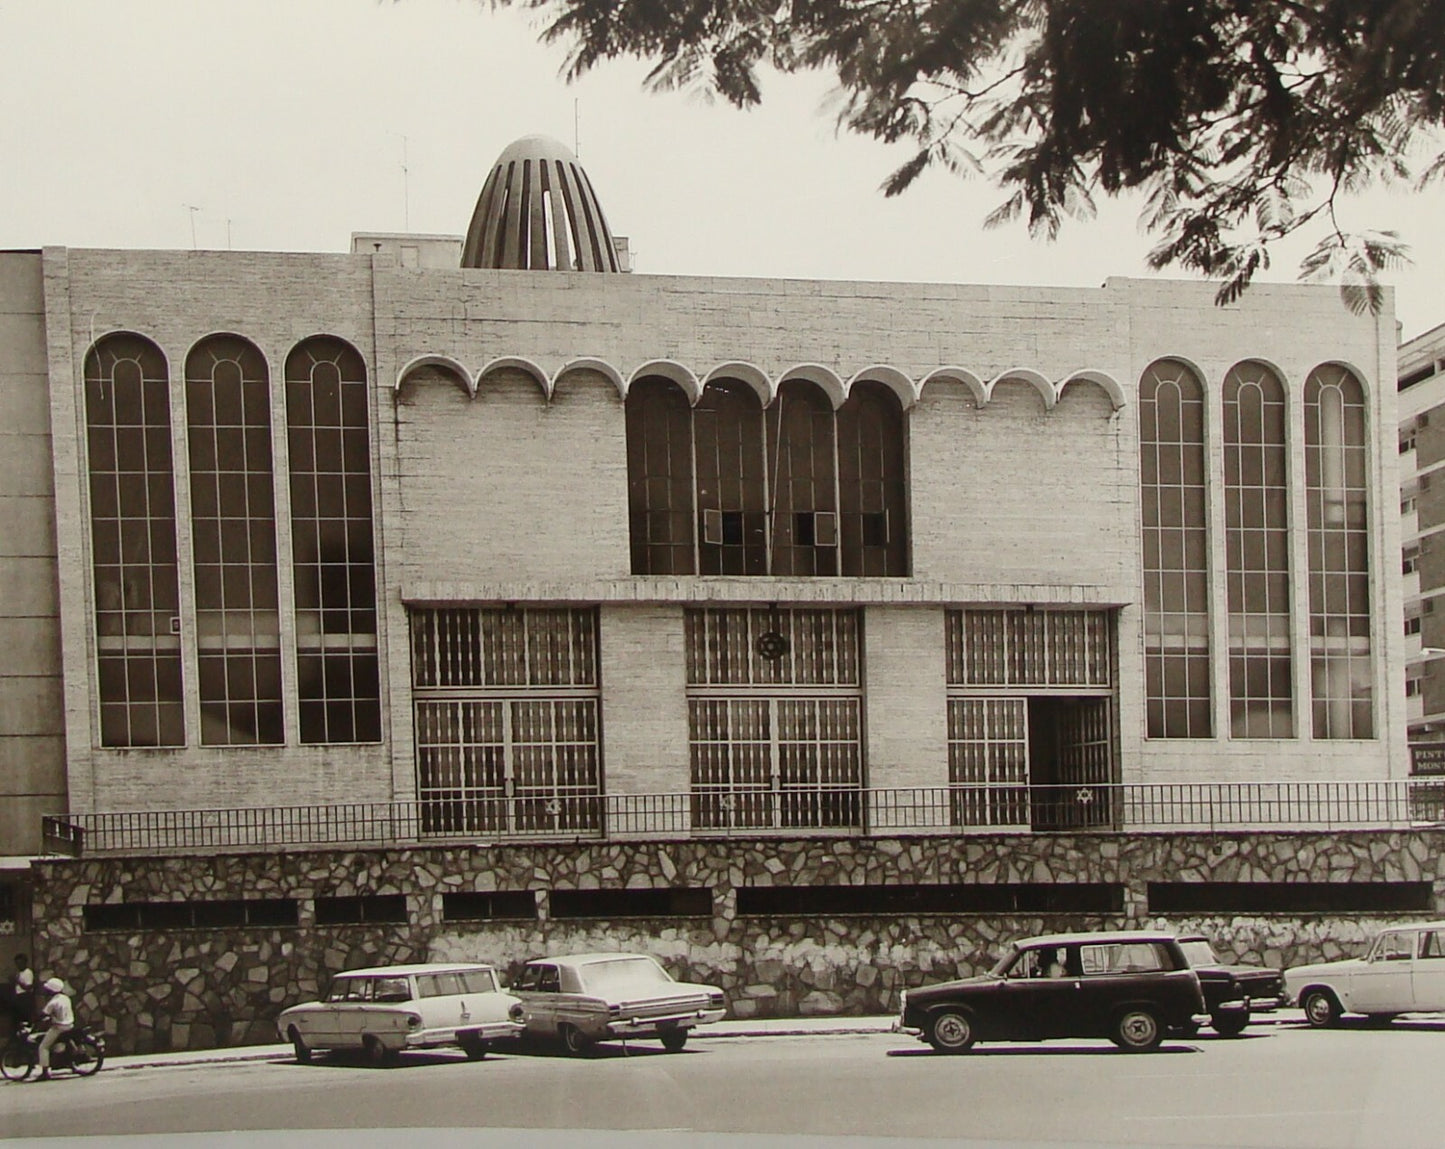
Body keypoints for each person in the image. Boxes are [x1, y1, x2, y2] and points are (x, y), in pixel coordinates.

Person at [35, 977, 74, 1081]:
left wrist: (35, 1020)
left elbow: (43, 1014)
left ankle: (44, 1072)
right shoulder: (66, 998)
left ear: (51, 991)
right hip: (69, 1025)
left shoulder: (53, 1002)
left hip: (58, 1027)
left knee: (43, 1047)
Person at [9, 954, 36, 1031]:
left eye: (20, 963)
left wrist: (17, 981)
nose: (18, 965)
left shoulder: (28, 973)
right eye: (17, 964)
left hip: (25, 997)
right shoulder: (19, 973)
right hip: (19, 997)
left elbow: (28, 987)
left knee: (25, 1018)